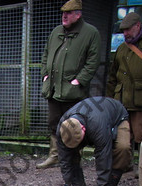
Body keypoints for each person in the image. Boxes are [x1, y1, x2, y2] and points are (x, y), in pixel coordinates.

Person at [38, 0, 101, 169]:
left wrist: (79, 80)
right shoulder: (56, 32)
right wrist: (45, 74)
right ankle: (55, 156)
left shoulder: (90, 33)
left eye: (69, 13)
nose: (64, 16)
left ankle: (74, 160)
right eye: (63, 13)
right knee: (53, 123)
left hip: (74, 91)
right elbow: (45, 55)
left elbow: (93, 61)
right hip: (53, 88)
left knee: (74, 125)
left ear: (78, 14)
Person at [56, 97, 131, 186]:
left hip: (116, 116)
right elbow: (64, 158)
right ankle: (77, 185)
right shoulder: (62, 127)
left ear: (83, 129)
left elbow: (103, 157)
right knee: (70, 151)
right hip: (94, 118)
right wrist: (68, 182)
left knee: (122, 148)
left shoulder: (98, 126)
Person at [106, 12, 142, 149]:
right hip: (122, 102)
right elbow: (112, 77)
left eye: (127, 29)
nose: (124, 33)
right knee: (123, 140)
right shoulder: (121, 48)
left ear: (138, 26)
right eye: (123, 30)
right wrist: (109, 100)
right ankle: (126, 169)